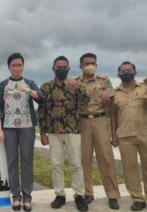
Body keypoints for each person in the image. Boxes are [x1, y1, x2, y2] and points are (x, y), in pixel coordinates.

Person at [0, 53, 43, 212]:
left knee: (27, 161)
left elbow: (41, 98)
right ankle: (16, 196)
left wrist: (29, 90)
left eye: (20, 65)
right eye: (14, 65)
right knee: (12, 162)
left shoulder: (29, 83)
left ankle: (27, 196)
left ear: (23, 66)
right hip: (9, 128)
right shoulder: (3, 85)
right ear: (9, 67)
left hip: (27, 127)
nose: (17, 68)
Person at [38, 56, 90, 211]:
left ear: (69, 68)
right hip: (53, 131)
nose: (61, 69)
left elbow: (86, 99)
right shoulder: (46, 87)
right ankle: (59, 195)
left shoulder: (75, 84)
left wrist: (79, 86)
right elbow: (42, 110)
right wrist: (43, 132)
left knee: (76, 164)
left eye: (64, 67)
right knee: (56, 164)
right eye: (58, 67)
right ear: (53, 69)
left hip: (73, 130)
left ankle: (79, 196)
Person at [74, 53, 120, 209]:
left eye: (93, 63)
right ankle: (88, 193)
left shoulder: (104, 81)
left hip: (101, 120)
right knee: (84, 159)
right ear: (80, 66)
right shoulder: (75, 82)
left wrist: (107, 102)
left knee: (106, 159)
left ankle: (112, 195)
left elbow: (112, 107)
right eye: (86, 63)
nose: (90, 65)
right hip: (83, 121)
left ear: (96, 65)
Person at [110, 61, 147, 211]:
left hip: (145, 133)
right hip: (125, 136)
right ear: (118, 74)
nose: (126, 72)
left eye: (129, 70)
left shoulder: (145, 88)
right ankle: (138, 199)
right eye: (123, 70)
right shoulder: (115, 93)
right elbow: (113, 115)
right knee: (130, 170)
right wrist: (113, 135)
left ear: (135, 72)